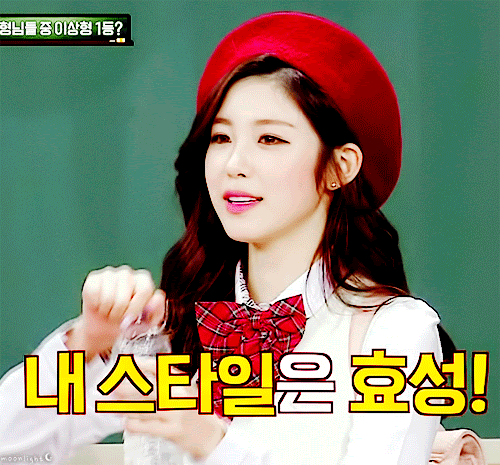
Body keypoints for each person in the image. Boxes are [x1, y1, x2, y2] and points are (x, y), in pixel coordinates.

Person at [0, 11, 448, 465]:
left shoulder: (393, 331)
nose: (234, 164)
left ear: (340, 166)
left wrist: (217, 445)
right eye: (220, 138)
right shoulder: (169, 328)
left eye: (270, 139)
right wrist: (87, 340)